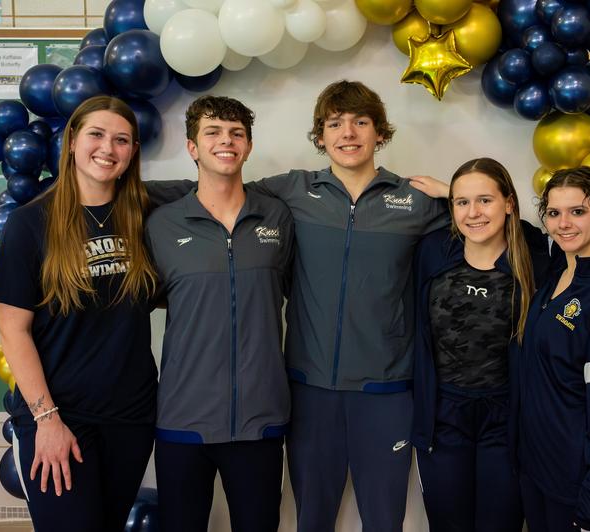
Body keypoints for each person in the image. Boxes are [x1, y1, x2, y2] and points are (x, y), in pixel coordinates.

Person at [147, 80, 449, 531]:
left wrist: (456, 190)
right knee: (311, 519)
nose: (348, 133)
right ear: (320, 136)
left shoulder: (415, 200)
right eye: (335, 123)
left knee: (385, 520)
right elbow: (220, 183)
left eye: (361, 122)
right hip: (308, 388)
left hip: (387, 390)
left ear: (380, 134)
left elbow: (491, 227)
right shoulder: (291, 191)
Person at [0, 96, 158, 532]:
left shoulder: (146, 217)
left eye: (121, 140)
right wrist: (47, 421)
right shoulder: (30, 224)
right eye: (97, 135)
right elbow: (13, 329)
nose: (108, 148)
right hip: (60, 418)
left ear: (133, 152)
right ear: (73, 140)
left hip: (130, 418)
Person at [145, 96, 294, 532]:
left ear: (247, 147)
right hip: (182, 419)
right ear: (192, 147)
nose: (225, 141)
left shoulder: (278, 218)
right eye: (212, 132)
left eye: (236, 134)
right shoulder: (162, 225)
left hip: (259, 420)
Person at [411, 157, 564, 532]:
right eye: (462, 203)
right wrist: (454, 195)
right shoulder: (434, 249)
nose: (473, 213)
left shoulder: (535, 255)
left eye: (485, 200)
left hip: (507, 419)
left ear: (509, 203)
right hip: (443, 416)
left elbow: (588, 273)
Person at [515, 166, 590, 532]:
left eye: (578, 211)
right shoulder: (558, 270)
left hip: (576, 483)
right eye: (554, 213)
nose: (564, 223)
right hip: (536, 468)